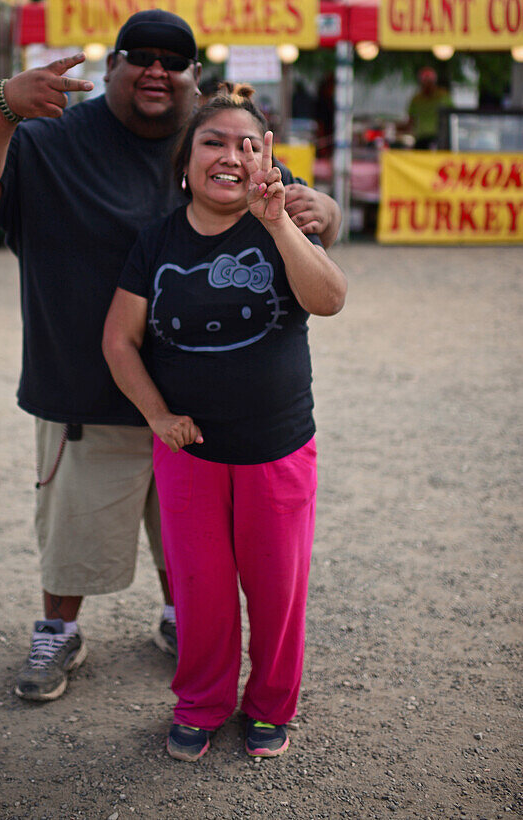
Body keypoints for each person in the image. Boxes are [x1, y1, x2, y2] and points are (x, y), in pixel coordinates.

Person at [0, 9, 341, 704]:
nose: (157, 69)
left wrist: (327, 211)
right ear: (111, 68)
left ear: (196, 77)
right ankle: (57, 629)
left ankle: (181, 619)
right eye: (140, 56)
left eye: (175, 59)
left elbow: (302, 206)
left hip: (202, 410)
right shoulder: (53, 138)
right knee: (73, 531)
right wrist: (2, 107)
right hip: (87, 388)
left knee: (191, 545)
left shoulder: (218, 144)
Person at [102, 84, 347, 761]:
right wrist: (156, 415)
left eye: (247, 143)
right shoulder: (156, 241)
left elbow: (330, 299)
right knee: (201, 593)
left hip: (278, 450)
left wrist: (278, 224)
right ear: (186, 162)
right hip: (191, 457)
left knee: (278, 592)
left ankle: (270, 705)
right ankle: (202, 704)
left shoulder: (283, 225)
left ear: (266, 159)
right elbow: (118, 339)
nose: (230, 155)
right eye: (213, 141)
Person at [405, 66, 451, 149]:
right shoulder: (416, 99)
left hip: (439, 137)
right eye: (425, 82)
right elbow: (411, 119)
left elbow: (451, 115)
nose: (427, 85)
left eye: (429, 82)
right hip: (421, 137)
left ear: (434, 82)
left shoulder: (443, 96)